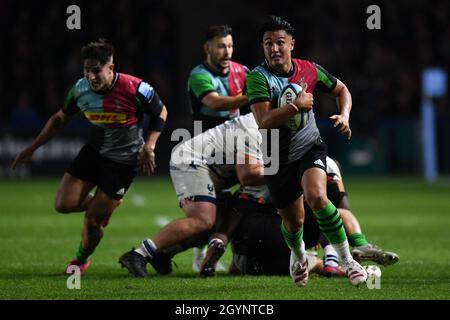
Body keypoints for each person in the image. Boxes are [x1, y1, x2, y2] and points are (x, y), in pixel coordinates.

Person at [11, 39, 168, 273]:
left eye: (96, 71)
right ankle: (106, 201)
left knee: (94, 222)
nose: (91, 77)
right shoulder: (79, 89)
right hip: (93, 153)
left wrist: (150, 146)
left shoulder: (135, 88)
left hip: (123, 162)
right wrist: (33, 147)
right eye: (87, 70)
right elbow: (59, 119)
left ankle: (80, 259)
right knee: (63, 205)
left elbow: (161, 112)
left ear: (111, 68)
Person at [246, 16, 366, 286]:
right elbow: (264, 121)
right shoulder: (256, 78)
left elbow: (342, 89)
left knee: (318, 197)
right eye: (268, 44)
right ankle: (299, 254)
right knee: (294, 222)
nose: (274, 48)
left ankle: (348, 260)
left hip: (309, 148)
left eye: (280, 42)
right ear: (262, 47)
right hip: (276, 157)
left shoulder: (309, 70)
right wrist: (296, 106)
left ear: (292, 44)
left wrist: (344, 115)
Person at [118, 113, 265, 277]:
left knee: (220, 224)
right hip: (194, 160)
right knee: (202, 219)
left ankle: (163, 253)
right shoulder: (255, 126)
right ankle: (138, 255)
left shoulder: (269, 123)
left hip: (213, 169)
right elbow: (248, 175)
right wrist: (281, 173)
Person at [201, 156, 399, 277]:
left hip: (261, 235)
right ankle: (339, 256)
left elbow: (240, 208)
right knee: (329, 212)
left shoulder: (271, 168)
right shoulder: (328, 165)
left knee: (252, 227)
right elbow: (343, 209)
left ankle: (240, 261)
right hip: (291, 231)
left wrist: (222, 236)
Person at [188, 25, 249, 132]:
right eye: (221, 47)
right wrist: (253, 95)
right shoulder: (199, 75)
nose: (227, 52)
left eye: (230, 46)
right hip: (205, 140)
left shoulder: (242, 71)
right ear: (207, 48)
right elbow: (215, 103)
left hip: (235, 137)